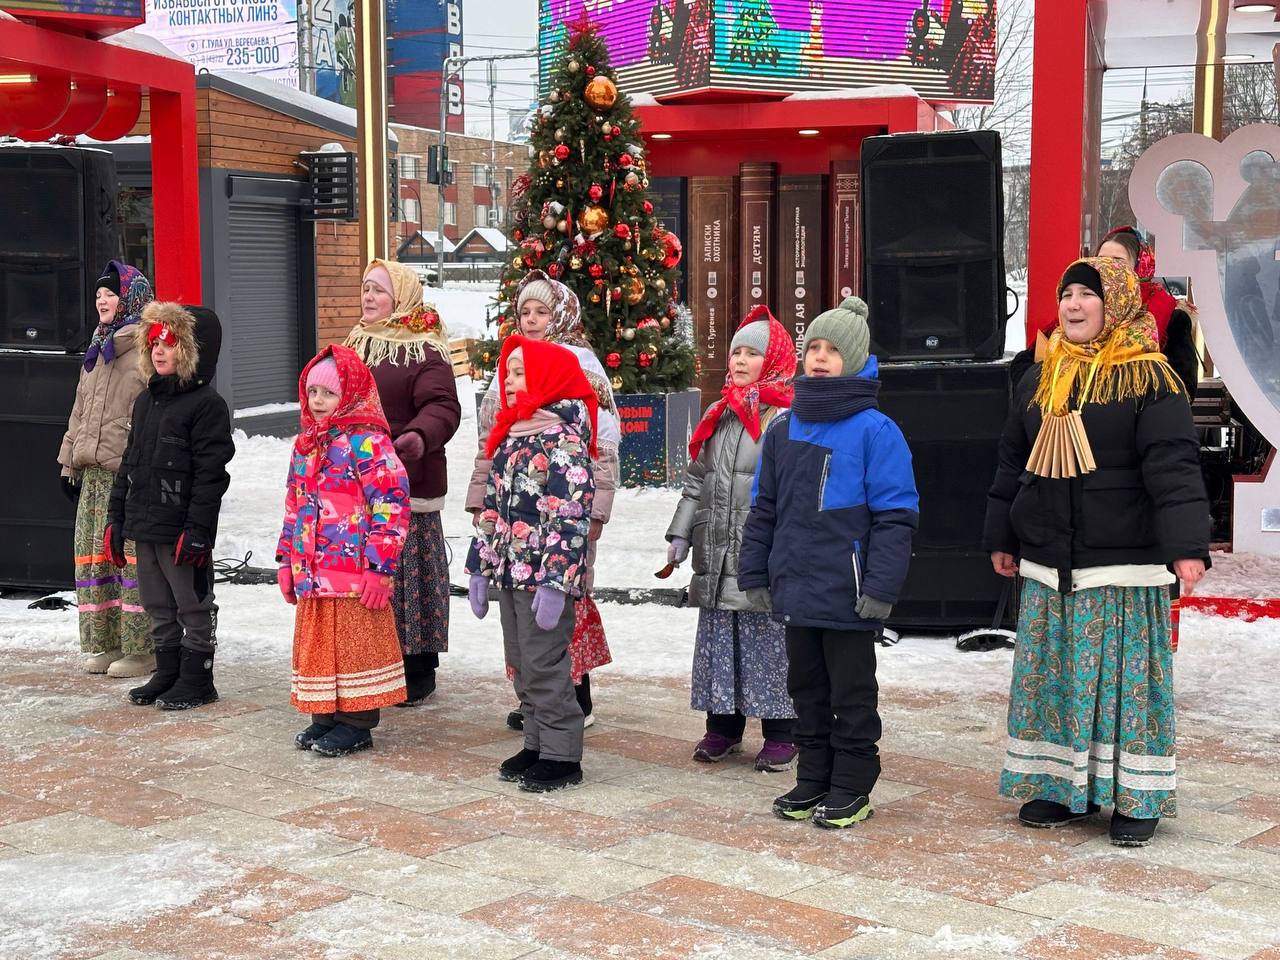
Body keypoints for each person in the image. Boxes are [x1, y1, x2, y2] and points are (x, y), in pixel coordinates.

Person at [983, 257, 1210, 848]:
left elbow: (1174, 467)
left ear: (1118, 304)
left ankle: (1135, 796)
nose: (1075, 305)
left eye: (1089, 294)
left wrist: (1186, 545)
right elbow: (1014, 463)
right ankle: (1059, 787)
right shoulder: (1039, 377)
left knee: (1122, 686)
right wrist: (1002, 535)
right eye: (1067, 296)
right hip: (1048, 563)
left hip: (1123, 568)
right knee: (1055, 678)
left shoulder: (1149, 379)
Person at [739, 297, 919, 829]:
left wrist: (881, 587)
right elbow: (763, 509)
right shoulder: (783, 429)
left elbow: (895, 517)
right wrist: (755, 571)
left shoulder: (875, 431)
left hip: (849, 592)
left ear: (857, 359)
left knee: (852, 694)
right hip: (795, 588)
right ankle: (813, 776)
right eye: (812, 347)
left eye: (832, 350)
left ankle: (852, 784)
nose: (819, 357)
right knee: (806, 690)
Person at [469, 270, 620, 729]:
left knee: (563, 598)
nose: (532, 320)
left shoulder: (580, 367)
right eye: (525, 312)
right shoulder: (513, 363)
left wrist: (596, 511)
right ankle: (535, 703)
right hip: (515, 518)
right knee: (519, 613)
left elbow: (602, 445)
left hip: (565, 515)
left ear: (561, 315)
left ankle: (573, 696)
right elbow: (491, 440)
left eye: (542, 312)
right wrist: (481, 501)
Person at [666, 305, 799, 771]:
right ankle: (722, 725)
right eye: (735, 352)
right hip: (717, 550)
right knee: (721, 642)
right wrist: (682, 533)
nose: (740, 361)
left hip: (761, 554)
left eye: (752, 354)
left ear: (776, 359)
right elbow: (697, 481)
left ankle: (783, 730)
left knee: (768, 644)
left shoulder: (786, 417)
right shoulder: (721, 412)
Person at [466, 336, 597, 793]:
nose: (511, 381)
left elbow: (569, 517)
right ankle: (537, 743)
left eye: (521, 373)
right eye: (508, 374)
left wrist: (556, 583)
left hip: (543, 577)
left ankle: (563, 754)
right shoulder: (512, 435)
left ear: (548, 377)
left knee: (545, 663)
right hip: (508, 572)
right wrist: (479, 568)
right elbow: (490, 510)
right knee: (521, 661)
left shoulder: (563, 441)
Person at [277, 345, 411, 757]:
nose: (318, 402)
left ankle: (356, 722)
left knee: (354, 646)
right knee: (320, 644)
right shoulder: (306, 444)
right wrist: (286, 559)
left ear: (351, 395)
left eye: (329, 394)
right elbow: (294, 504)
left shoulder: (367, 443)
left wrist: (380, 566)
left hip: (354, 573)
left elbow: (391, 502)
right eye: (312, 392)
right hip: (313, 571)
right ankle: (326, 715)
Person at [107, 302, 234, 710]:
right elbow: (129, 463)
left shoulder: (206, 406)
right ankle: (168, 671)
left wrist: (197, 532)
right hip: (145, 525)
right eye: (154, 342)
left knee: (191, 604)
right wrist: (116, 518)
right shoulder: (146, 402)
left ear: (193, 349)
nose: (159, 350)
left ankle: (197, 678)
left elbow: (211, 476)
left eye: (170, 342)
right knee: (156, 603)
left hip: (181, 529)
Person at [345, 259, 460, 705]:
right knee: (368, 578)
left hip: (406, 483)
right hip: (357, 485)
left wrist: (417, 435)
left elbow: (444, 407)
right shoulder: (356, 342)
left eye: (378, 290)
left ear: (402, 298)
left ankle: (417, 667)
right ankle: (376, 661)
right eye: (365, 288)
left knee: (409, 579)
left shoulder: (423, 347)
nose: (368, 297)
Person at [59, 261, 155, 678]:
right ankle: (105, 643)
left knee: (129, 560)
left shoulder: (147, 348)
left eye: (111, 293)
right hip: (93, 474)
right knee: (94, 560)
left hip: (127, 474)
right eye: (99, 293)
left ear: (131, 298)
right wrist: (68, 463)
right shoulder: (98, 347)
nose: (102, 299)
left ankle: (141, 648)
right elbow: (80, 410)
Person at [1096, 225, 1199, 400]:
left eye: (1118, 261)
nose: (1107, 268)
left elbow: (1183, 387)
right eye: (1101, 261)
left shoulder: (1170, 316)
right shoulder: (1083, 309)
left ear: (1140, 267)